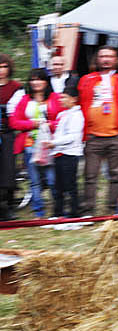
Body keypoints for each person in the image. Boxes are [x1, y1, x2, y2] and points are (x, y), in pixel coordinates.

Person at [78, 46, 118, 215]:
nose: (105, 59)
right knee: (90, 175)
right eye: (102, 56)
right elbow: (80, 104)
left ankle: (113, 209)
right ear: (97, 59)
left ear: (116, 60)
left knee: (116, 174)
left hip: (116, 135)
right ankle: (87, 210)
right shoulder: (87, 79)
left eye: (109, 56)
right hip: (93, 136)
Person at [10, 69, 63, 218]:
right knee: (34, 181)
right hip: (30, 145)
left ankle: (57, 209)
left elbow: (62, 120)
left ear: (46, 81)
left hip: (50, 144)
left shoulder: (55, 98)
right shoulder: (25, 100)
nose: (36, 82)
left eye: (39, 79)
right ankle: (39, 211)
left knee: (53, 179)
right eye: (33, 79)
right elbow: (15, 122)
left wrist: (48, 124)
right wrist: (32, 124)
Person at [46, 78, 84, 218]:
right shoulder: (62, 115)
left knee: (70, 185)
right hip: (59, 154)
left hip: (70, 154)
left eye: (64, 98)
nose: (61, 100)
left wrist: (54, 143)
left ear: (73, 99)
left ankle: (74, 212)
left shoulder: (77, 115)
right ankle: (58, 211)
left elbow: (72, 136)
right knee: (58, 185)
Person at [0, 54, 24, 220]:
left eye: (4, 66)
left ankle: (8, 206)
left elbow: (16, 110)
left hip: (7, 133)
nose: (1, 71)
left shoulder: (16, 87)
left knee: (8, 169)